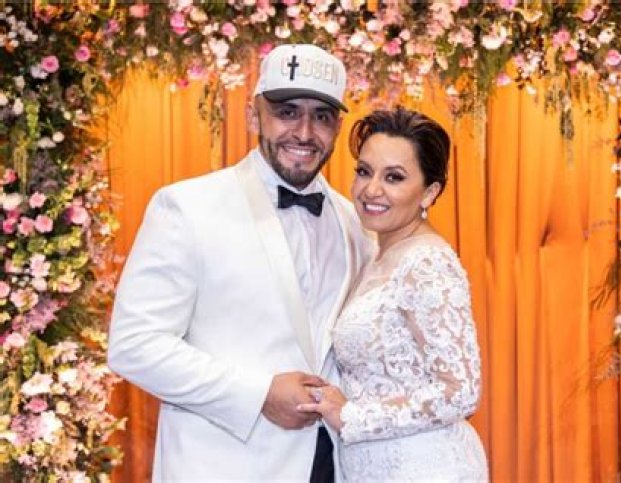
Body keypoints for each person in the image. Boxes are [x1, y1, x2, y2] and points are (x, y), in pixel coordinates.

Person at [108, 44, 372, 481]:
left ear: (338, 127)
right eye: (287, 112)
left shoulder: (356, 222)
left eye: (322, 116)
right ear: (253, 117)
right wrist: (258, 394)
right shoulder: (187, 207)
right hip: (223, 466)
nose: (304, 132)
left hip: (332, 467)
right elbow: (134, 345)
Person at [298, 107, 488, 481]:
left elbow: (462, 391)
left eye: (394, 177)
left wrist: (353, 415)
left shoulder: (428, 263)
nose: (371, 190)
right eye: (364, 171)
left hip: (424, 468)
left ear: (429, 193)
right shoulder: (375, 252)